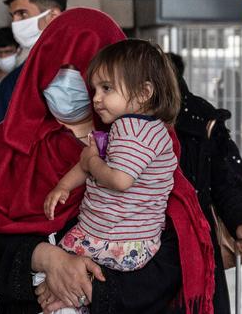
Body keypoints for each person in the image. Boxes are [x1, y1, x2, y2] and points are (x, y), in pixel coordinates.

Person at [0, 8, 215, 314]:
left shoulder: (150, 143)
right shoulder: (7, 147)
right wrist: (43, 258)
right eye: (55, 66)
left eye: (81, 70)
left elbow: (172, 254)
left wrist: (90, 291)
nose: (65, 82)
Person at [42, 40, 181, 312]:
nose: (95, 98)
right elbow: (86, 163)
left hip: (118, 241)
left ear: (144, 92)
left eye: (106, 88)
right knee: (70, 277)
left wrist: (92, 162)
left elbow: (119, 180)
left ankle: (63, 300)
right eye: (94, 89)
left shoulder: (135, 131)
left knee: (62, 279)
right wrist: (64, 186)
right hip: (117, 237)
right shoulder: (133, 127)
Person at [169, 52, 242, 314]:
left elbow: (227, 178)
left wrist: (240, 221)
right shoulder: (120, 120)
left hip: (197, 251)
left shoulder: (200, 119)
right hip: (143, 256)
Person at [0, 0, 67, 134]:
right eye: (12, 16)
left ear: (53, 16)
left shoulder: (90, 65)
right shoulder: (14, 81)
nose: (15, 23)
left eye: (22, 14)